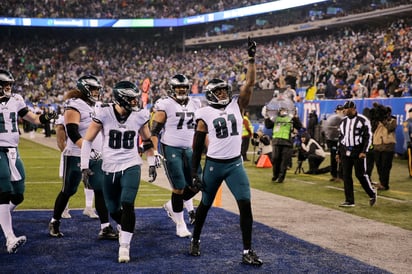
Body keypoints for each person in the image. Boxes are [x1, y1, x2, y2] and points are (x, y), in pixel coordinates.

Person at [189, 38, 263, 266]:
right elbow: (197, 146)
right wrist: (194, 171)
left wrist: (251, 59)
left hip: (235, 165)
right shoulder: (204, 113)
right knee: (205, 205)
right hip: (213, 165)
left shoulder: (236, 105)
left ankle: (247, 250)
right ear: (211, 95)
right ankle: (195, 239)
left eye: (224, 91)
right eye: (219, 92)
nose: (223, 94)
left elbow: (249, 84)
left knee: (245, 205)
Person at [80, 80, 158, 263]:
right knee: (113, 209)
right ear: (121, 99)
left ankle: (124, 246)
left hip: (131, 164)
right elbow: (88, 140)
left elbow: (147, 140)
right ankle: (126, 228)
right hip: (108, 166)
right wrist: (84, 165)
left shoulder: (139, 115)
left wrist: (152, 160)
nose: (135, 103)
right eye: (131, 100)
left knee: (127, 203)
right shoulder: (104, 112)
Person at [48, 75, 118, 241]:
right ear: (85, 89)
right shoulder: (74, 104)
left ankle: (105, 227)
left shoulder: (97, 106)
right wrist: (87, 148)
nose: (96, 92)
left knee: (100, 189)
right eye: (93, 89)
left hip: (96, 155)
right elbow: (72, 131)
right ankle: (54, 221)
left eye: (97, 89)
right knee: (68, 190)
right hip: (75, 154)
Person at [0, 69, 56, 253]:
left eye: (9, 85)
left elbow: (34, 118)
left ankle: (2, 218)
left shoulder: (16, 99)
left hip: (13, 151)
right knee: (4, 191)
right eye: (5, 85)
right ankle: (9, 238)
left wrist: (47, 117)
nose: (8, 88)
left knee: (18, 194)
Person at [150, 74, 201, 237]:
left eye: (185, 87)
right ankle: (180, 223)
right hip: (170, 148)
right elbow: (154, 130)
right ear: (172, 88)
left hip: (189, 149)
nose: (182, 90)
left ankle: (172, 206)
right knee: (178, 187)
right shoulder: (165, 104)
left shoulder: (196, 103)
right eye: (179, 87)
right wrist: (154, 151)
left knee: (199, 183)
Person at [55, 114, 97, 219]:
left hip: (88, 153)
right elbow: (60, 135)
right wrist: (65, 150)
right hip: (72, 153)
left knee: (90, 181)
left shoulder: (91, 112)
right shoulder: (68, 113)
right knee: (68, 184)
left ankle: (88, 207)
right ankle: (64, 209)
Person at [337, 100, 377, 207]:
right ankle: (349, 200)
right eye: (344, 109)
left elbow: (368, 137)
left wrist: (364, 151)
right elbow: (341, 137)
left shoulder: (363, 120)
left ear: (353, 109)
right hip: (345, 151)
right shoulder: (343, 121)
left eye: (346, 108)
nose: (344, 110)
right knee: (346, 176)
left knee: (360, 175)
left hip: (358, 151)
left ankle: (372, 193)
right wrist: (338, 152)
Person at [264, 106, 302, 183]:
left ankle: (281, 177)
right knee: (275, 159)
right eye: (281, 110)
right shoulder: (275, 119)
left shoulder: (290, 119)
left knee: (284, 161)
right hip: (276, 141)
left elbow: (299, 126)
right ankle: (275, 175)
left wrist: (295, 117)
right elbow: (268, 126)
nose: (283, 112)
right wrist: (267, 116)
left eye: (284, 110)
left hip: (287, 142)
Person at [372, 105, 397, 191]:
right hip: (377, 146)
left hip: (387, 147)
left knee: (385, 167)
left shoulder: (393, 120)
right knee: (379, 166)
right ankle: (382, 182)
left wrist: (383, 120)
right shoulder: (376, 121)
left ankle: (385, 184)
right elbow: (372, 129)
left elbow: (390, 128)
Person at [322, 104, 344, 182]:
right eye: (339, 110)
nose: (340, 112)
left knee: (342, 159)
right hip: (334, 141)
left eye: (341, 110)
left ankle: (341, 176)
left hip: (342, 142)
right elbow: (328, 130)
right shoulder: (333, 119)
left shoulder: (345, 119)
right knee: (333, 158)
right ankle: (334, 175)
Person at [403, 108, 412, 176]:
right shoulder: (406, 122)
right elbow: (405, 133)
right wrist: (408, 142)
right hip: (410, 142)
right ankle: (411, 173)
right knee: (411, 159)